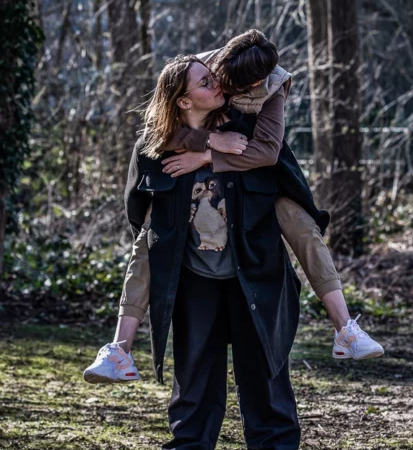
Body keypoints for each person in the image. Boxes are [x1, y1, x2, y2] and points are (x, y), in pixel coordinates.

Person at [84, 31, 383, 385]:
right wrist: (209, 139)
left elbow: (267, 152)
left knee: (303, 227)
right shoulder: (198, 69)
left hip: (263, 181)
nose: (222, 89)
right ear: (219, 63)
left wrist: (209, 154)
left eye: (235, 86)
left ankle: (344, 328)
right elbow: (157, 127)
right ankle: (119, 349)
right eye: (216, 81)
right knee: (148, 242)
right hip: (195, 195)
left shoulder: (272, 87)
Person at [106, 55, 302, 450]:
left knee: (265, 364)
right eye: (205, 82)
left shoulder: (247, 134)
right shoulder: (154, 149)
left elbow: (278, 165)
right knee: (193, 368)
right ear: (181, 100)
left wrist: (209, 154)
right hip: (194, 277)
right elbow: (137, 208)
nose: (218, 85)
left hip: (255, 271)